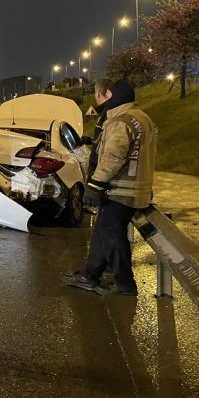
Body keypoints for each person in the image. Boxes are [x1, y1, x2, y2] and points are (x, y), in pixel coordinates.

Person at [62, 80, 157, 296]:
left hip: (121, 191)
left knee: (112, 236)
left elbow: (113, 157)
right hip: (134, 188)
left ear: (109, 94)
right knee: (103, 233)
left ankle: (124, 284)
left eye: (97, 94)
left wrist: (95, 185)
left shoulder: (121, 121)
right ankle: (89, 275)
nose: (96, 98)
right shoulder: (141, 118)